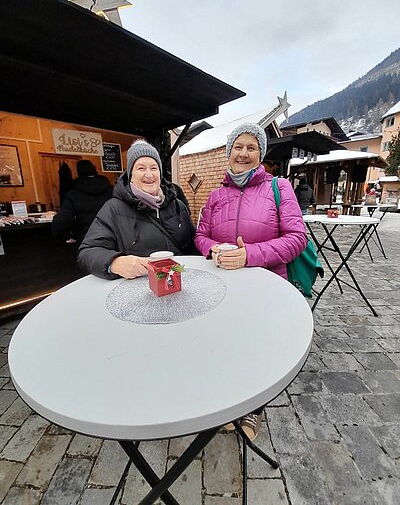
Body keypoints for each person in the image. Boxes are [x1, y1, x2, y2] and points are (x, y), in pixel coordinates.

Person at [195, 122, 307, 441]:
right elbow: (200, 235)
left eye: (251, 147)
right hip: (222, 289)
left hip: (265, 288)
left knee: (258, 349)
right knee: (226, 345)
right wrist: (212, 247)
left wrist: (249, 255)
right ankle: (228, 401)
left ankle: (253, 408)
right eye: (238, 147)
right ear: (229, 152)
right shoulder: (216, 195)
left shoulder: (279, 187)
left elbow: (297, 238)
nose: (243, 153)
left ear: (260, 154)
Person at [78, 140, 195, 279]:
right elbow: (86, 253)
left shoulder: (178, 206)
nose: (149, 174)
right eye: (141, 168)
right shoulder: (113, 209)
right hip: (138, 292)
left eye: (153, 168)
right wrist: (115, 262)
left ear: (160, 172)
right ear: (130, 175)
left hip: (179, 284)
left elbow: (194, 246)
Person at [52, 160, 113, 245]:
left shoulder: (73, 195)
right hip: (113, 239)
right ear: (95, 170)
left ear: (78, 172)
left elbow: (61, 222)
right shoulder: (112, 191)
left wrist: (66, 235)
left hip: (87, 241)